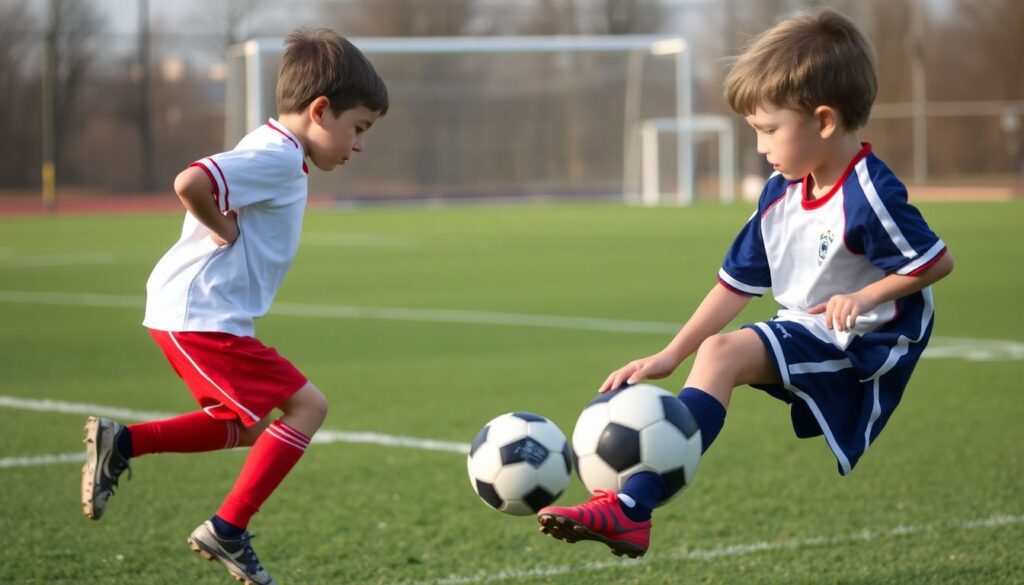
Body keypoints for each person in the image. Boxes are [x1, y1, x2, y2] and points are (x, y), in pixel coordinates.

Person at [537, 8, 954, 559]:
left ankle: (630, 508)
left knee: (724, 354)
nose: (760, 147)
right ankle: (631, 509)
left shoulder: (868, 193)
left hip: (868, 343)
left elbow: (935, 261)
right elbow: (735, 284)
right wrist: (669, 355)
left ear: (824, 121)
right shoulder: (780, 192)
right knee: (715, 352)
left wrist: (865, 296)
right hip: (808, 324)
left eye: (768, 130)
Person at [81, 28, 388, 585]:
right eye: (358, 129)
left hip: (201, 314)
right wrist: (221, 226)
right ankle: (228, 528)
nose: (360, 144)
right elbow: (191, 181)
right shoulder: (277, 155)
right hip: (202, 314)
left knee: (246, 428)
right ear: (320, 110)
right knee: (307, 408)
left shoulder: (278, 149)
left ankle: (122, 442)